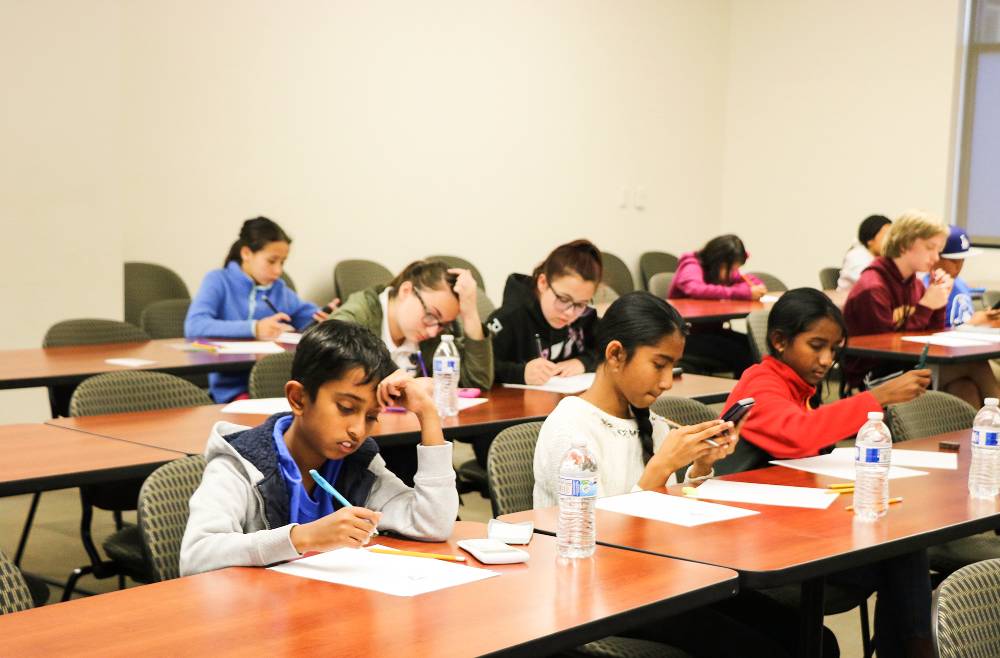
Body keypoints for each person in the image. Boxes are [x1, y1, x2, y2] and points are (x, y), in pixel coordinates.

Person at [533, 291, 836, 657]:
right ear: (615, 355)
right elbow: (594, 541)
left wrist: (701, 466)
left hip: (659, 582)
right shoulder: (570, 428)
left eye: (672, 367)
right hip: (602, 593)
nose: (665, 382)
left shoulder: (650, 422)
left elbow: (670, 521)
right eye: (658, 364)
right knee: (762, 650)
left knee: (813, 638)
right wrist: (658, 469)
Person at [718, 288, 933, 658]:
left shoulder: (800, 385)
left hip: (795, 520)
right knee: (901, 556)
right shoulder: (760, 385)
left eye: (833, 349)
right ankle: (918, 649)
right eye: (816, 345)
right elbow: (799, 435)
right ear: (779, 341)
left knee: (902, 548)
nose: (826, 360)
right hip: (757, 543)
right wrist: (877, 397)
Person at [180, 320, 459, 576]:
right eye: (346, 408)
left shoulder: (358, 464)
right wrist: (302, 538)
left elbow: (432, 523)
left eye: (372, 416)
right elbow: (195, 557)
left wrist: (427, 413)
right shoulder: (241, 464)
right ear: (298, 398)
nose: (358, 430)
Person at [843, 211, 999, 407]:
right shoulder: (873, 287)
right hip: (874, 377)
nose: (935, 257)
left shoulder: (913, 284)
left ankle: (975, 435)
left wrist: (938, 301)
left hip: (908, 365)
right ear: (904, 245)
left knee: (964, 387)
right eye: (930, 248)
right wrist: (926, 306)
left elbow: (932, 336)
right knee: (975, 365)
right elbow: (886, 349)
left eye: (938, 250)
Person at [185, 217, 338, 402]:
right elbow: (194, 325)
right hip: (233, 390)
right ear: (246, 253)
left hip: (277, 385)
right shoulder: (218, 280)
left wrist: (325, 316)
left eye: (282, 262)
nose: (278, 270)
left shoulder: (278, 289)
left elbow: (304, 316)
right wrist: (255, 328)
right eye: (272, 261)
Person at [330, 259, 493, 391]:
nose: (432, 331)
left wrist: (470, 312)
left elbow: (477, 381)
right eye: (431, 315)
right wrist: (409, 385)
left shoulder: (436, 333)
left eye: (443, 324)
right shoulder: (358, 315)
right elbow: (327, 364)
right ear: (406, 291)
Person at [487, 239, 602, 385]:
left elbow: (616, 346)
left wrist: (584, 362)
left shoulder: (584, 316)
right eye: (563, 299)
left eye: (581, 304)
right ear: (543, 283)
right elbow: (479, 369)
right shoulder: (509, 318)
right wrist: (520, 373)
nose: (570, 313)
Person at [667, 234, 764, 377]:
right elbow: (695, 288)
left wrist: (752, 287)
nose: (732, 274)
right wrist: (742, 292)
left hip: (711, 331)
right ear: (718, 261)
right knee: (741, 353)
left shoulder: (720, 270)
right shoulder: (691, 264)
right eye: (730, 268)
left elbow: (749, 281)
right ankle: (742, 394)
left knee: (753, 345)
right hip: (686, 335)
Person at [925, 225, 1000, 329]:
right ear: (936, 257)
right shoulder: (926, 288)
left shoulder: (961, 284)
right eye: (954, 261)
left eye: (962, 260)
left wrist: (985, 319)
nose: (958, 267)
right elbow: (927, 332)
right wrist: (973, 322)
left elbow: (965, 319)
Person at [837, 214, 892, 291]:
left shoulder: (885, 259)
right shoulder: (856, 256)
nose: (891, 241)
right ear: (870, 240)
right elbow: (873, 285)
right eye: (887, 236)